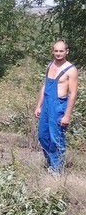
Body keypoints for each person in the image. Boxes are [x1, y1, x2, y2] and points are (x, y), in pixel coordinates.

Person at [35, 40, 78, 175]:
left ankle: (57, 170)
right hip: (47, 104)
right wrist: (39, 106)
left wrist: (67, 115)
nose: (58, 54)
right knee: (42, 136)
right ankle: (51, 162)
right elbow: (45, 86)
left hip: (59, 106)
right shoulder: (50, 65)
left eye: (61, 51)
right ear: (53, 51)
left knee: (56, 138)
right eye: (56, 51)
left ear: (66, 52)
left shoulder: (71, 70)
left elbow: (73, 93)